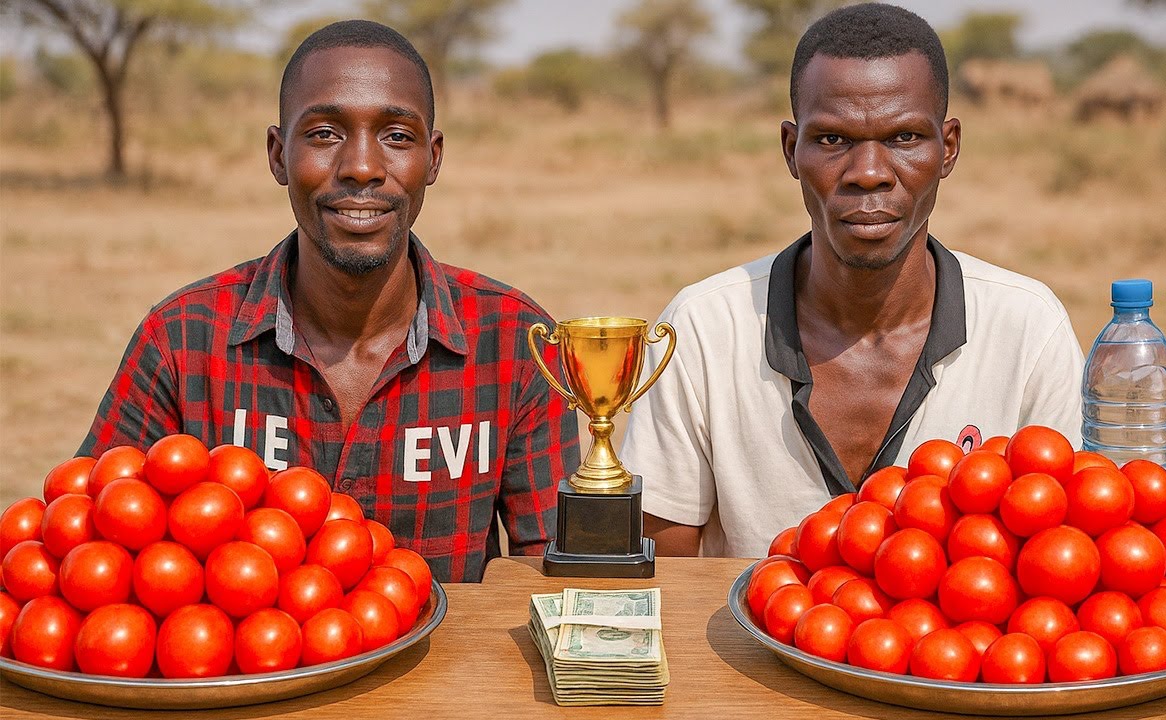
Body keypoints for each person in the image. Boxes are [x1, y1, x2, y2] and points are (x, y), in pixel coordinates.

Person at [78, 21, 581, 582]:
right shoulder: (183, 338)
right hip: (251, 672)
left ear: (433, 159)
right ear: (277, 154)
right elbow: (89, 549)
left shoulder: (515, 342)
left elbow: (556, 574)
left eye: (396, 136)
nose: (361, 167)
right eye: (323, 134)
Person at [619, 3, 1084, 558]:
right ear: (792, 150)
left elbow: (1066, 559)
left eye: (906, 137)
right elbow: (663, 581)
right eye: (833, 141)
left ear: (948, 148)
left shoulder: (1028, 329)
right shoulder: (703, 329)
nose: (869, 173)